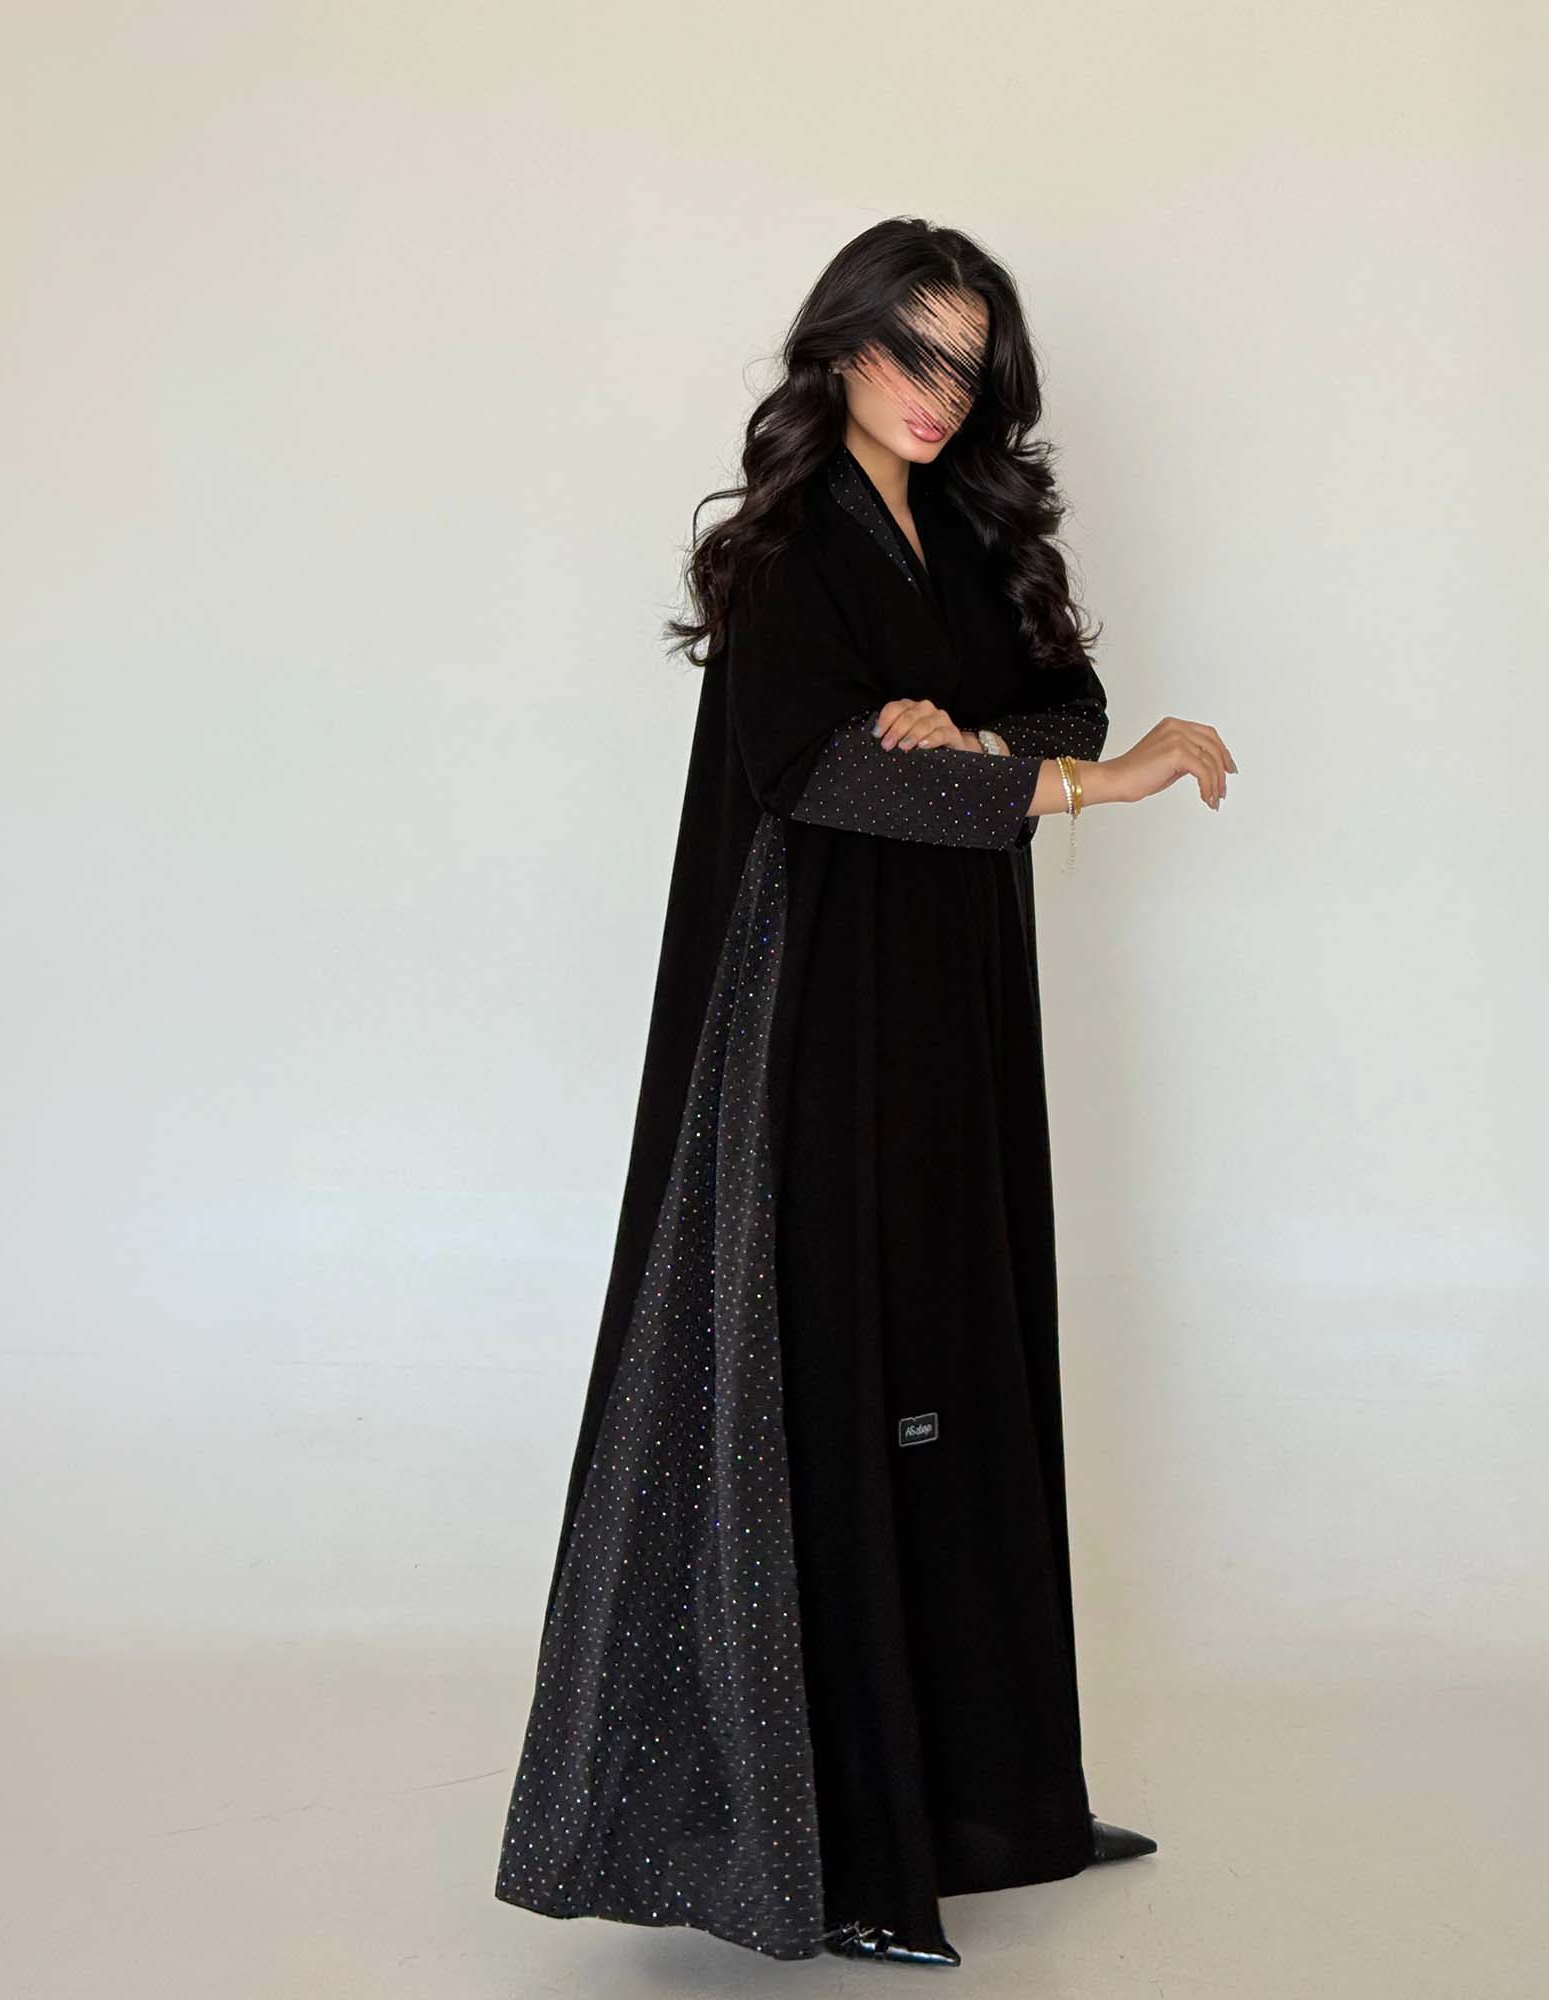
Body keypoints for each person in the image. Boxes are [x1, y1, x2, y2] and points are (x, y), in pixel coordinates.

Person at [493, 216, 1235, 1968]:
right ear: (838, 349)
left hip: (953, 1003)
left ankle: (982, 1805)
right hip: (817, 1008)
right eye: (912, 352)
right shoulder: (784, 550)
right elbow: (821, 772)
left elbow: (1059, 699)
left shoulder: (967, 534)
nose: (938, 393)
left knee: (958, 1359)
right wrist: (1089, 786)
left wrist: (985, 745)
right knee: (835, 1376)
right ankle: (828, 1853)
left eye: (967, 365)